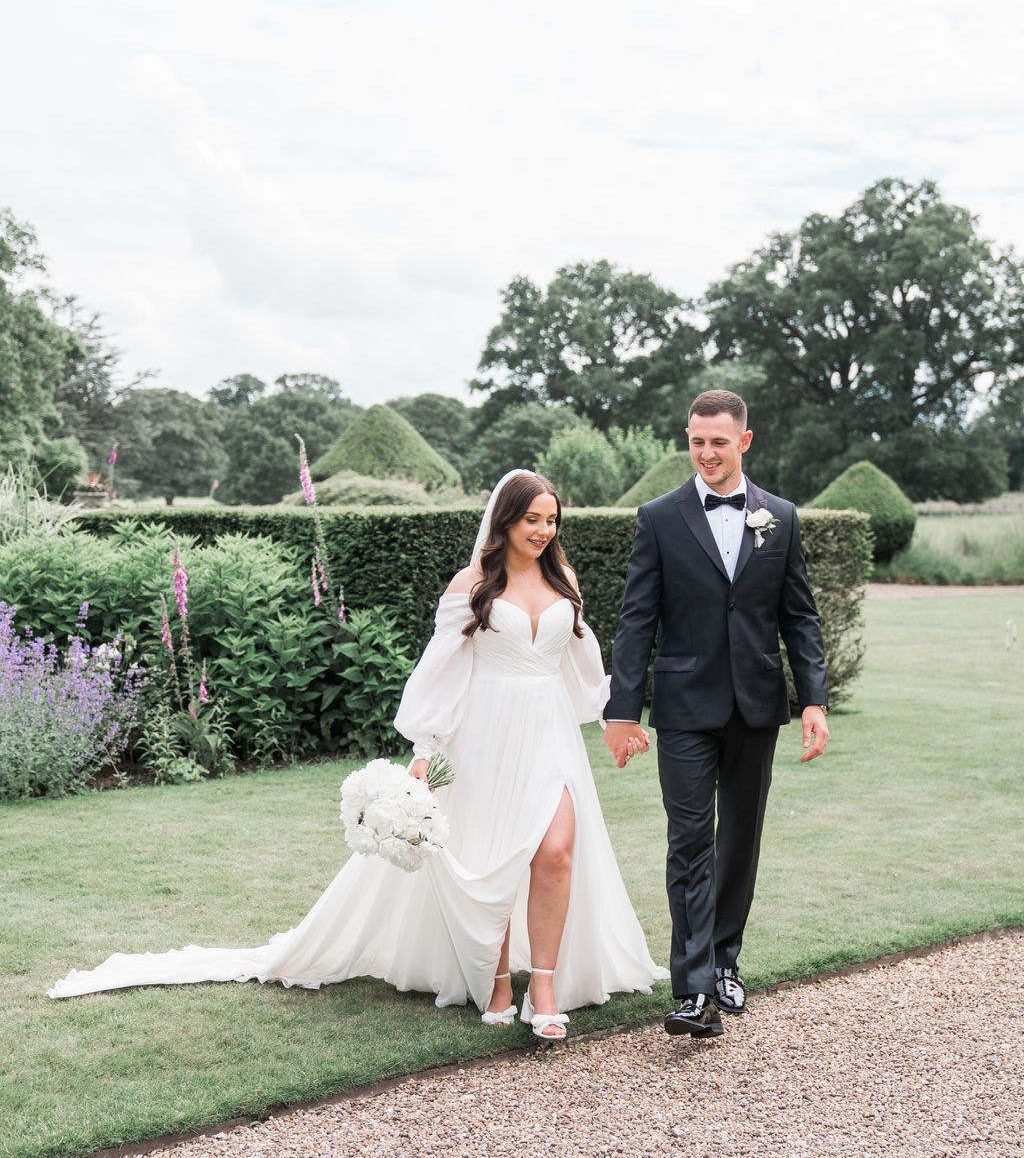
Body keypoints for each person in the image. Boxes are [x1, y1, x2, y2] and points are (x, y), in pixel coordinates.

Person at [50, 470, 666, 1040]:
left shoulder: (565, 581)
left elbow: (582, 663)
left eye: (551, 519)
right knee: (492, 859)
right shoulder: (472, 585)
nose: (543, 530)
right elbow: (439, 672)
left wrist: (617, 717)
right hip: (483, 734)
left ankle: (549, 986)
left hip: (548, 734)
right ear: (504, 521)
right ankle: (499, 983)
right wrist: (425, 748)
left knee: (556, 851)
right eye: (532, 518)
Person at [604, 391, 828, 1039]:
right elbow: (636, 620)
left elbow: (800, 619)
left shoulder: (779, 519)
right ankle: (694, 987)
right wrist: (623, 711)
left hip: (756, 706)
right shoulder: (658, 518)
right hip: (683, 709)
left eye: (719, 443)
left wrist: (812, 699)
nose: (706, 454)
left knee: (741, 840)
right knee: (690, 840)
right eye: (697, 442)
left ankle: (726, 960)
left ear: (745, 442)